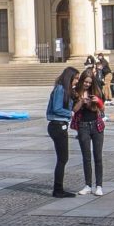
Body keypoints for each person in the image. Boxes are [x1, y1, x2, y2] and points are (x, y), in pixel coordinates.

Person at [70, 69, 107, 195]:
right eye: (85, 82)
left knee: (98, 157)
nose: (87, 84)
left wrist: (98, 101)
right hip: (83, 126)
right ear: (81, 81)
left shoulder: (96, 91)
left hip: (96, 126)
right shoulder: (75, 92)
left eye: (90, 83)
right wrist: (81, 101)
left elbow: (103, 109)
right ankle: (87, 185)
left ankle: (99, 186)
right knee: (86, 157)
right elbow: (74, 110)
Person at [46, 66, 81, 199]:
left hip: (60, 125)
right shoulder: (60, 89)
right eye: (76, 78)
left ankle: (58, 188)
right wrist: (70, 113)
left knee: (63, 158)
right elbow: (56, 108)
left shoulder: (65, 89)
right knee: (62, 159)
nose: (77, 81)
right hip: (57, 125)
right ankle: (58, 189)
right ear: (69, 77)